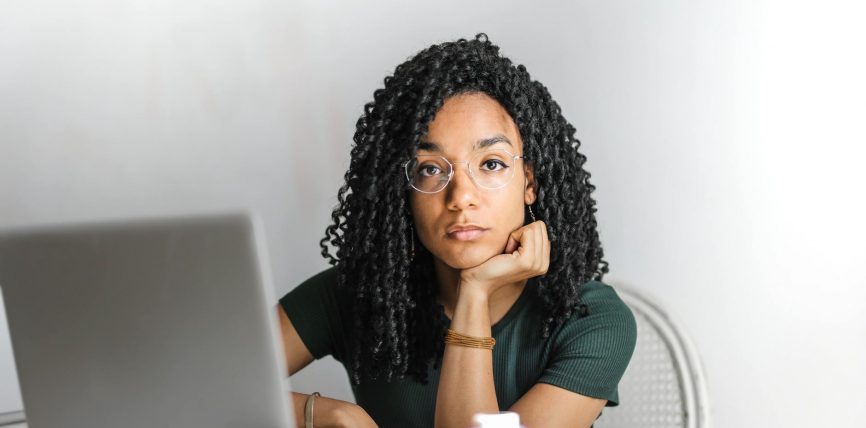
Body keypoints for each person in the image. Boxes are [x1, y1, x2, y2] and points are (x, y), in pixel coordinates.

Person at [277, 33, 637, 428]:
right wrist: (327, 414)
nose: (461, 197)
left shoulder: (591, 319)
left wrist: (475, 291)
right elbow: (204, 383)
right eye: (430, 169)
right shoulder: (361, 293)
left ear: (529, 182)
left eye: (491, 164)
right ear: (404, 191)